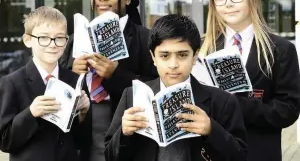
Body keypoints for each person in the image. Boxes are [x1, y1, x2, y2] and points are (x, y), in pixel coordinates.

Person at [104, 14, 247, 161]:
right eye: (165, 56)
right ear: (153, 57)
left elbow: (240, 156)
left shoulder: (222, 102)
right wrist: (123, 133)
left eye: (182, 55)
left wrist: (212, 130)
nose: (173, 65)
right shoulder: (132, 96)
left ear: (195, 56)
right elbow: (110, 156)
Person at [198, 0, 300, 161]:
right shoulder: (202, 48)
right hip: (213, 152)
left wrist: (236, 104)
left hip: (259, 152)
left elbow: (288, 110)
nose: (228, 3)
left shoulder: (280, 49)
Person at [59, 0, 158, 161]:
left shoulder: (145, 39)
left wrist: (116, 74)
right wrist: (72, 72)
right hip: (84, 132)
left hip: (127, 135)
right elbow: (57, 84)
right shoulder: (75, 39)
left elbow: (157, 88)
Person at [0, 6, 91, 161]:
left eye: (59, 38)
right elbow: (5, 141)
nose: (52, 44)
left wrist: (83, 113)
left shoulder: (75, 80)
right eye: (44, 38)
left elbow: (84, 141)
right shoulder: (11, 83)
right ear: (28, 40)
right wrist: (31, 113)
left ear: (66, 41)